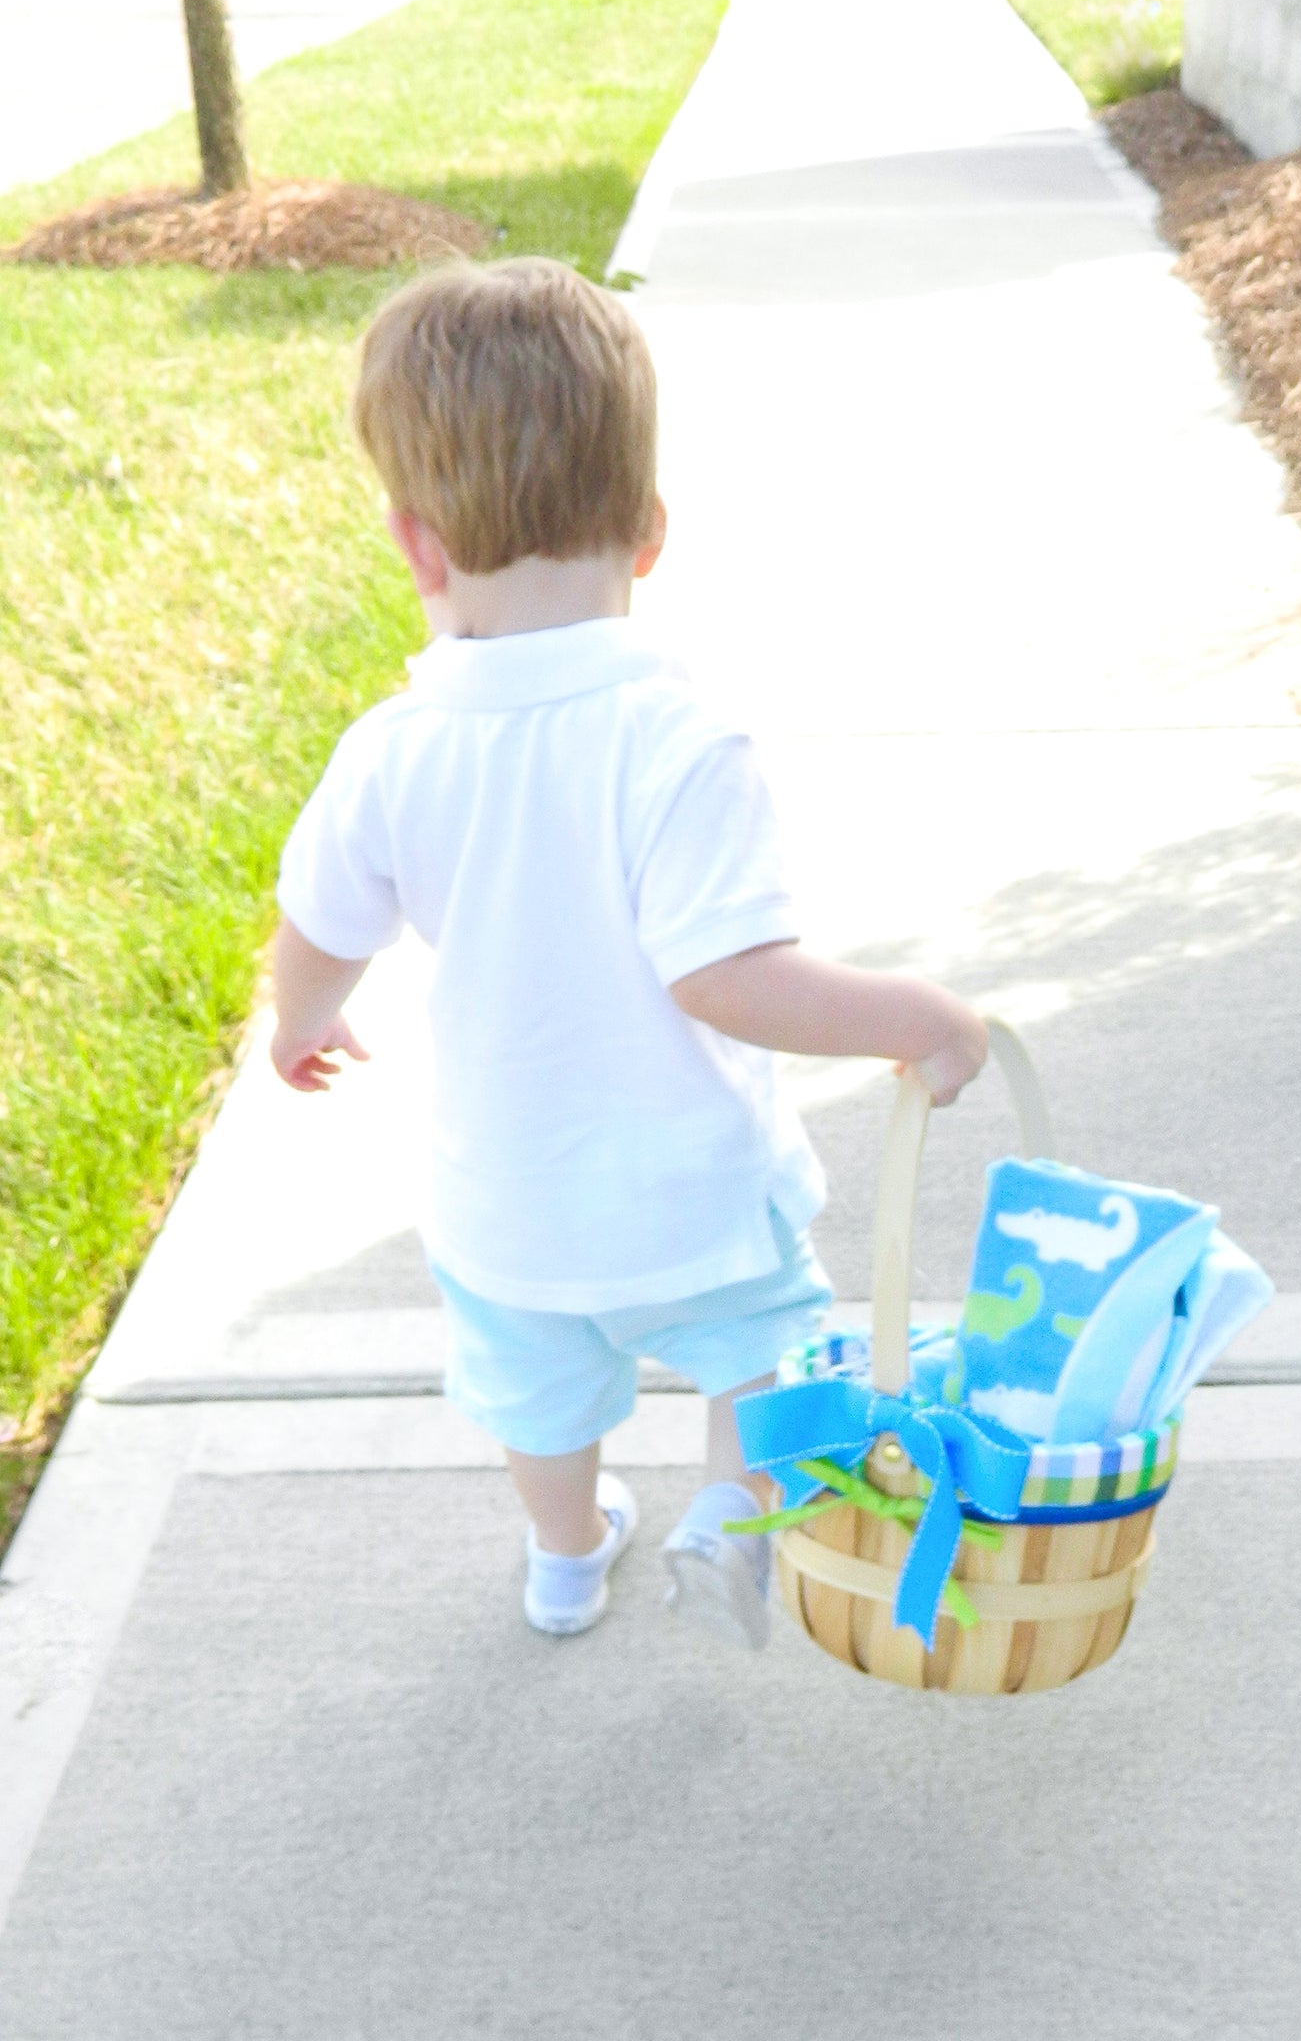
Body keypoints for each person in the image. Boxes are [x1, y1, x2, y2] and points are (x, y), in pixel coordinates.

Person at [270, 257, 987, 1649]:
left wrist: (297, 1026)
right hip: (688, 1193)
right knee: (766, 1352)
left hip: (508, 1208)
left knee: (535, 1397)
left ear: (416, 546)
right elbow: (727, 976)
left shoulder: (390, 752)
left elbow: (317, 931)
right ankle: (729, 1508)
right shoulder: (676, 737)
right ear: (651, 532)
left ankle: (563, 1556)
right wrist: (915, 1014)